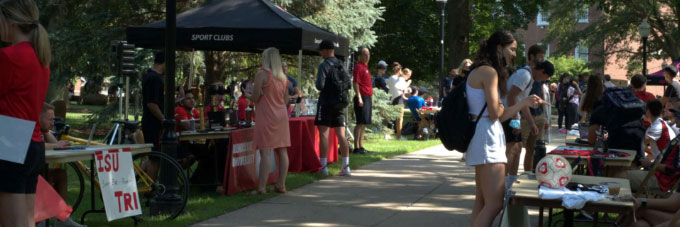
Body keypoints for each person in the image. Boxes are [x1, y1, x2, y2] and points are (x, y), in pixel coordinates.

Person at [465, 30, 543, 227]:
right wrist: (521, 102)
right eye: (512, 49)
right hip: (487, 138)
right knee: (495, 204)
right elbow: (496, 113)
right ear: (499, 48)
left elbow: (498, 112)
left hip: (482, 135)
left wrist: (510, 106)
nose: (515, 54)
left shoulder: (480, 70)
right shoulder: (488, 72)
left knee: (482, 201)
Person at [0, 0, 51, 226]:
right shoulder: (41, 58)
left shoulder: (9, 56)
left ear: (9, 22)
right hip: (34, 142)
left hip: (10, 141)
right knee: (27, 221)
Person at [246, 47, 290, 194]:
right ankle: (281, 184)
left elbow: (256, 97)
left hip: (266, 115)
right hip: (281, 116)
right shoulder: (284, 78)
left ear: (266, 58)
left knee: (265, 151)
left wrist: (248, 95)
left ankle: (261, 188)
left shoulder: (262, 74)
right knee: (282, 150)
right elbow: (285, 100)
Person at [502, 44, 545, 176]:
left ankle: (511, 183)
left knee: (518, 148)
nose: (542, 60)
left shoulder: (529, 75)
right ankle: (501, 182)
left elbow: (522, 102)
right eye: (540, 57)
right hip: (507, 114)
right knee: (512, 150)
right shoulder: (525, 74)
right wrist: (515, 121)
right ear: (532, 57)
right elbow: (511, 97)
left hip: (512, 114)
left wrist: (532, 123)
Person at [39, 104, 85, 227]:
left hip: (37, 170)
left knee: (60, 174)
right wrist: (56, 145)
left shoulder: (41, 131)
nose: (53, 123)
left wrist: (47, 132)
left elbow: (55, 144)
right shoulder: (30, 129)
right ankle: (41, 219)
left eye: (53, 119)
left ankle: (62, 219)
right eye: (50, 119)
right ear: (38, 118)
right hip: (27, 173)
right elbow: (37, 145)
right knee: (46, 178)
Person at [315, 40, 352, 176]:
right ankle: (346, 167)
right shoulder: (341, 64)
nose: (320, 53)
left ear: (325, 50)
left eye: (320, 50)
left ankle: (323, 168)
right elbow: (348, 84)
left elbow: (320, 85)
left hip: (325, 103)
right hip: (340, 103)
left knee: (323, 134)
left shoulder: (324, 65)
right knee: (341, 135)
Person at [521, 60, 554, 173]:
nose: (546, 79)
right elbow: (517, 98)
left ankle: (529, 172)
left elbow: (541, 97)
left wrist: (545, 117)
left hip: (539, 115)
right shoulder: (526, 76)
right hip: (525, 116)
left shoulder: (539, 80)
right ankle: (521, 173)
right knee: (521, 148)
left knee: (533, 148)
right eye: (539, 56)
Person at [141, 51, 165, 180]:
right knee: (155, 158)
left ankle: (135, 179)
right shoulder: (154, 78)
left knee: (153, 156)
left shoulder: (148, 75)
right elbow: (152, 103)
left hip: (150, 122)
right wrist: (163, 119)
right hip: (153, 123)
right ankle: (150, 189)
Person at [352, 47, 373, 154]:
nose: (367, 56)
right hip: (362, 97)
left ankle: (361, 146)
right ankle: (356, 147)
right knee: (360, 122)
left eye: (368, 54)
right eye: (365, 54)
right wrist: (359, 97)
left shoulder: (366, 67)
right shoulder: (358, 67)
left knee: (364, 123)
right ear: (359, 56)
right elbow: (355, 83)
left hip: (367, 97)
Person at [386, 62, 411, 139]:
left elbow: (389, 86)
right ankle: (399, 136)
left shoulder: (390, 78)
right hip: (399, 98)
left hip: (391, 98)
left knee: (391, 117)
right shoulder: (400, 79)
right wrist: (408, 84)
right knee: (400, 118)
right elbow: (403, 88)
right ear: (399, 70)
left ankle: (387, 134)